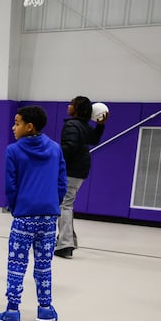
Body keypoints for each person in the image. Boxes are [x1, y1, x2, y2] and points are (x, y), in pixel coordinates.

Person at [0, 106, 66, 321]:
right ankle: (45, 309)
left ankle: (12, 311)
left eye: (16, 123)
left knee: (17, 263)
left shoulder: (13, 151)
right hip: (48, 216)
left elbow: (11, 186)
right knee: (44, 265)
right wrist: (52, 204)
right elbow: (61, 182)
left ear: (29, 126)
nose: (13, 127)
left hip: (24, 216)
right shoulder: (55, 149)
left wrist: (17, 208)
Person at [55, 96, 108, 259]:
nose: (68, 106)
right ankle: (69, 240)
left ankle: (65, 244)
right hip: (80, 170)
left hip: (71, 170)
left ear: (77, 109)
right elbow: (94, 139)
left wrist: (54, 157)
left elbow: (68, 148)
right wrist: (100, 126)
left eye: (72, 104)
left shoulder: (71, 125)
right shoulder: (83, 125)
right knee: (67, 204)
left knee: (64, 205)